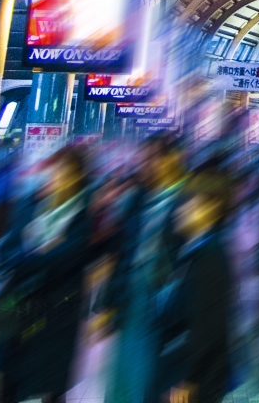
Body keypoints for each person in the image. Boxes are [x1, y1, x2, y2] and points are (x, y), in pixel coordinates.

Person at [0, 146, 96, 403]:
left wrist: (32, 256)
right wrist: (38, 254)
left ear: (78, 178)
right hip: (20, 304)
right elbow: (7, 250)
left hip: (58, 309)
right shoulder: (29, 204)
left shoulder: (83, 215)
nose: (56, 177)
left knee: (51, 381)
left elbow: (65, 259)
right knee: (9, 378)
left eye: (66, 172)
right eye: (54, 169)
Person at [106, 135, 184, 403]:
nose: (148, 165)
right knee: (125, 367)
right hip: (134, 291)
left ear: (173, 159)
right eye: (145, 158)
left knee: (154, 365)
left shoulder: (186, 199)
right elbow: (122, 252)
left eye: (155, 157)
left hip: (166, 293)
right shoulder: (138, 199)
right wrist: (108, 302)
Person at [150, 165, 237, 403]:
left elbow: (207, 325)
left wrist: (187, 379)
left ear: (211, 207)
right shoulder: (193, 248)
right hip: (178, 370)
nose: (179, 210)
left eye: (189, 203)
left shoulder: (210, 256)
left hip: (187, 382)